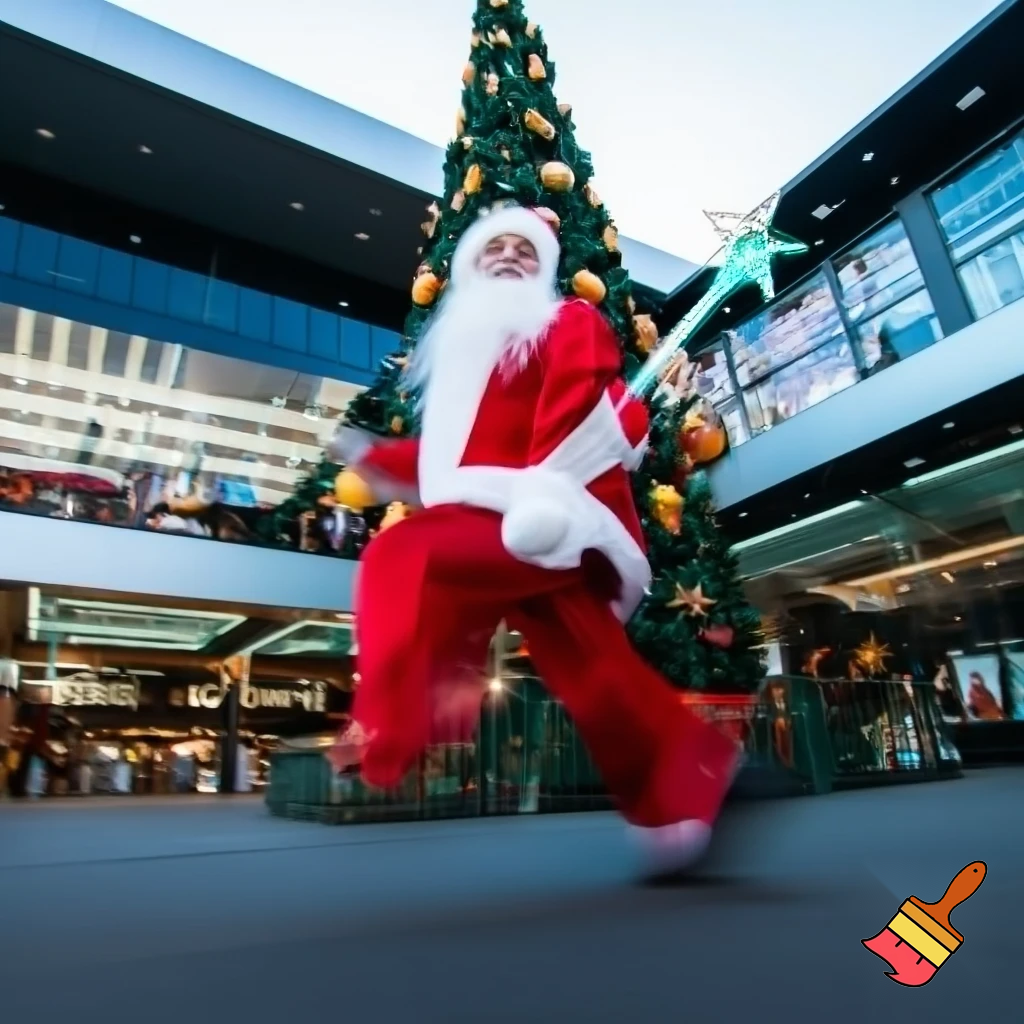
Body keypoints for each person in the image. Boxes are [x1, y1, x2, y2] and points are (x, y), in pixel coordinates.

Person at [327, 205, 740, 876]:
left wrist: (553, 484)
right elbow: (447, 463)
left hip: (545, 516)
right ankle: (690, 789)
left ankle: (381, 728)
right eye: (498, 248)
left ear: (543, 265)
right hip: (513, 519)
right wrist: (379, 463)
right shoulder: (467, 362)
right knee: (594, 674)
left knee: (404, 555)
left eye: (526, 248)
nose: (512, 255)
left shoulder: (564, 321)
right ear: (471, 266)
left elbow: (577, 397)